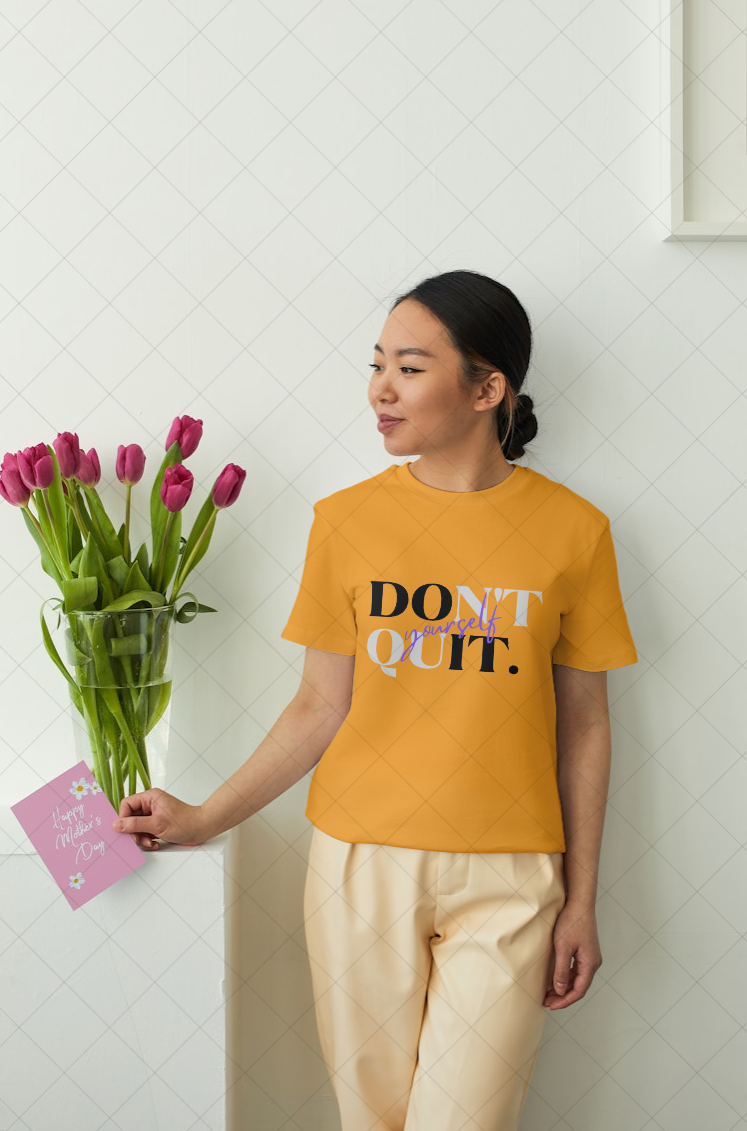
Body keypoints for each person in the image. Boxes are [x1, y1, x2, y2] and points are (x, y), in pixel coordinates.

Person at [112, 270, 638, 1130]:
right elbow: (319, 707)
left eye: (409, 367)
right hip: (359, 865)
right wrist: (206, 817)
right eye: (376, 365)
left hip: (510, 875)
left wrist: (581, 898)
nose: (379, 391)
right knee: (373, 1123)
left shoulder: (574, 531)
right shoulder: (346, 521)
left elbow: (583, 727)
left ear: (486, 388)